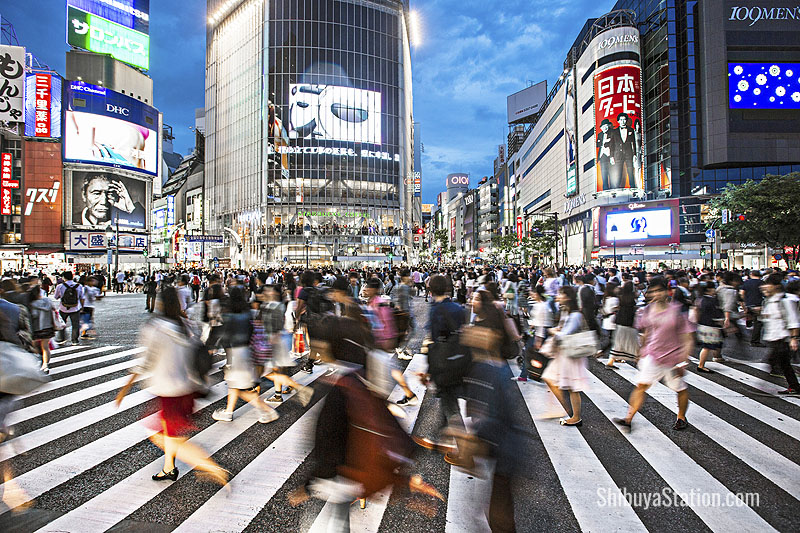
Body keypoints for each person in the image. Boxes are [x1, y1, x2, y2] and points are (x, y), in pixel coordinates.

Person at [114, 286, 228, 485]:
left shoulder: (155, 327)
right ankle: (169, 468)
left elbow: (145, 362)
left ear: (160, 303)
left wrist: (125, 388)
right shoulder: (187, 325)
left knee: (159, 436)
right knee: (170, 433)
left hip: (168, 389)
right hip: (187, 388)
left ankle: (210, 466)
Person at [614, 277, 695, 432]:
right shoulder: (648, 310)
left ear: (667, 291)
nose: (656, 294)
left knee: (680, 389)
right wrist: (641, 351)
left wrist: (683, 361)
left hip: (673, 357)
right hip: (653, 355)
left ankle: (681, 417)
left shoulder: (676, 311)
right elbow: (646, 332)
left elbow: (688, 338)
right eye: (653, 291)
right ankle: (628, 419)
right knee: (641, 385)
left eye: (660, 290)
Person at [413, 274, 467, 456]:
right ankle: (441, 436)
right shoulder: (458, 308)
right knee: (449, 398)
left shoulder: (436, 310)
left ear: (430, 290)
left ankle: (464, 447)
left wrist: (428, 370)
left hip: (443, 363)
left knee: (449, 402)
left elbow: (434, 342)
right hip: (460, 359)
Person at [212, 286, 280, 424]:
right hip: (248, 351)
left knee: (237, 386)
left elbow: (223, 336)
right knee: (234, 384)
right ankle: (228, 412)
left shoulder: (229, 316)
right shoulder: (248, 313)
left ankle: (268, 410)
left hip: (237, 353)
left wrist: (211, 347)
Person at [541, 286, 590, 426]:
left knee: (572, 386)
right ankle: (565, 410)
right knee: (550, 378)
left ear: (568, 297)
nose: (558, 296)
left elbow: (565, 334)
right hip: (563, 353)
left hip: (570, 354)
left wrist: (552, 332)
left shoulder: (575, 315)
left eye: (561, 294)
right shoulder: (566, 311)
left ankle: (575, 416)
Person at [760, 274, 800, 394]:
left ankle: (763, 386)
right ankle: (794, 387)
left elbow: (793, 321)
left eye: (768, 285)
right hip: (773, 337)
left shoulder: (785, 301)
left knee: (776, 361)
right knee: (783, 364)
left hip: (783, 338)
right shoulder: (770, 301)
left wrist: (793, 338)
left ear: (776, 286)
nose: (765, 287)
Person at [77, 172, 146, 229]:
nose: (104, 202)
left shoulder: (124, 220)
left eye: (109, 193)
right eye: (96, 193)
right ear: (84, 195)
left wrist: (130, 207)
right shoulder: (71, 221)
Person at [695, 281, 724, 373]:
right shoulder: (711, 301)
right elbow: (716, 314)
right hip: (710, 326)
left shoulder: (700, 299)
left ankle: (702, 364)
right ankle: (701, 365)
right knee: (707, 347)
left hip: (702, 325)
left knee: (707, 346)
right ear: (709, 290)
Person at [29, 285, 56, 374]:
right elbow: (54, 310)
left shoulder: (33, 304)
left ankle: (38, 362)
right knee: (45, 347)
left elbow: (34, 315)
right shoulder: (48, 300)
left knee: (35, 346)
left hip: (37, 328)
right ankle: (45, 365)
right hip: (48, 327)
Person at [54, 271, 84, 346]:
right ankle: (74, 340)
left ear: (64, 278)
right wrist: (82, 307)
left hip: (63, 307)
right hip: (75, 307)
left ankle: (62, 338)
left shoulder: (60, 286)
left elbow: (56, 297)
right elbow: (82, 297)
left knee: (62, 323)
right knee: (75, 324)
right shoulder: (79, 286)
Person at [742, 269, 764, 347]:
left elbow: (742, 293)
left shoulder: (746, 282)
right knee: (758, 323)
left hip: (749, 304)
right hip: (759, 305)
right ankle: (755, 340)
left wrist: (745, 303)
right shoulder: (762, 283)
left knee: (751, 319)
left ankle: (748, 331)